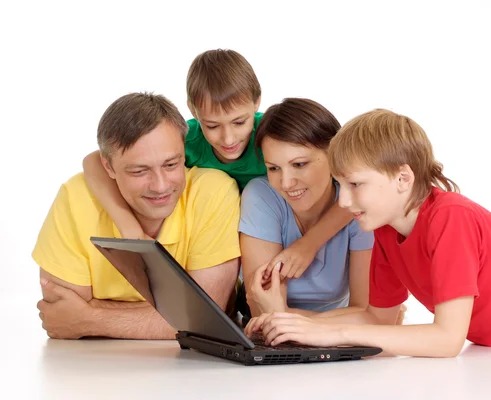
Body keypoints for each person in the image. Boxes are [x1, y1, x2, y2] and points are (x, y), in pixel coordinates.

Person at [246, 109, 491, 356]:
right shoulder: (384, 231)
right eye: (341, 185)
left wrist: (333, 333)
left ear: (403, 179)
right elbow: (376, 318)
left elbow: (447, 340)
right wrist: (294, 324)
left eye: (355, 184)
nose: (346, 200)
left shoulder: (450, 219)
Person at [82, 49, 353, 280]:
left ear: (257, 102)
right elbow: (94, 160)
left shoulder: (271, 140)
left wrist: (309, 245)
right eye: (212, 125)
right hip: (217, 247)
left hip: (273, 240)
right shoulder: (186, 141)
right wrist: (129, 228)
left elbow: (351, 190)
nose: (228, 138)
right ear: (192, 110)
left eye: (239, 122)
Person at [33, 92, 241, 340]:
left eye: (171, 165)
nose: (161, 185)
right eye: (140, 171)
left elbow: (208, 319)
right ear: (108, 167)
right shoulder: (75, 198)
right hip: (90, 371)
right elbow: (61, 312)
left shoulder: (213, 192)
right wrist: (177, 316)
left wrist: (90, 319)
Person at [239, 98, 378, 328]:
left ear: (333, 155)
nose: (286, 182)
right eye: (273, 168)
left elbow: (367, 313)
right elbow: (260, 314)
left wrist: (282, 314)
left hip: (337, 339)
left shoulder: (359, 206)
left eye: (300, 164)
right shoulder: (261, 197)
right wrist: (350, 320)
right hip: (327, 330)